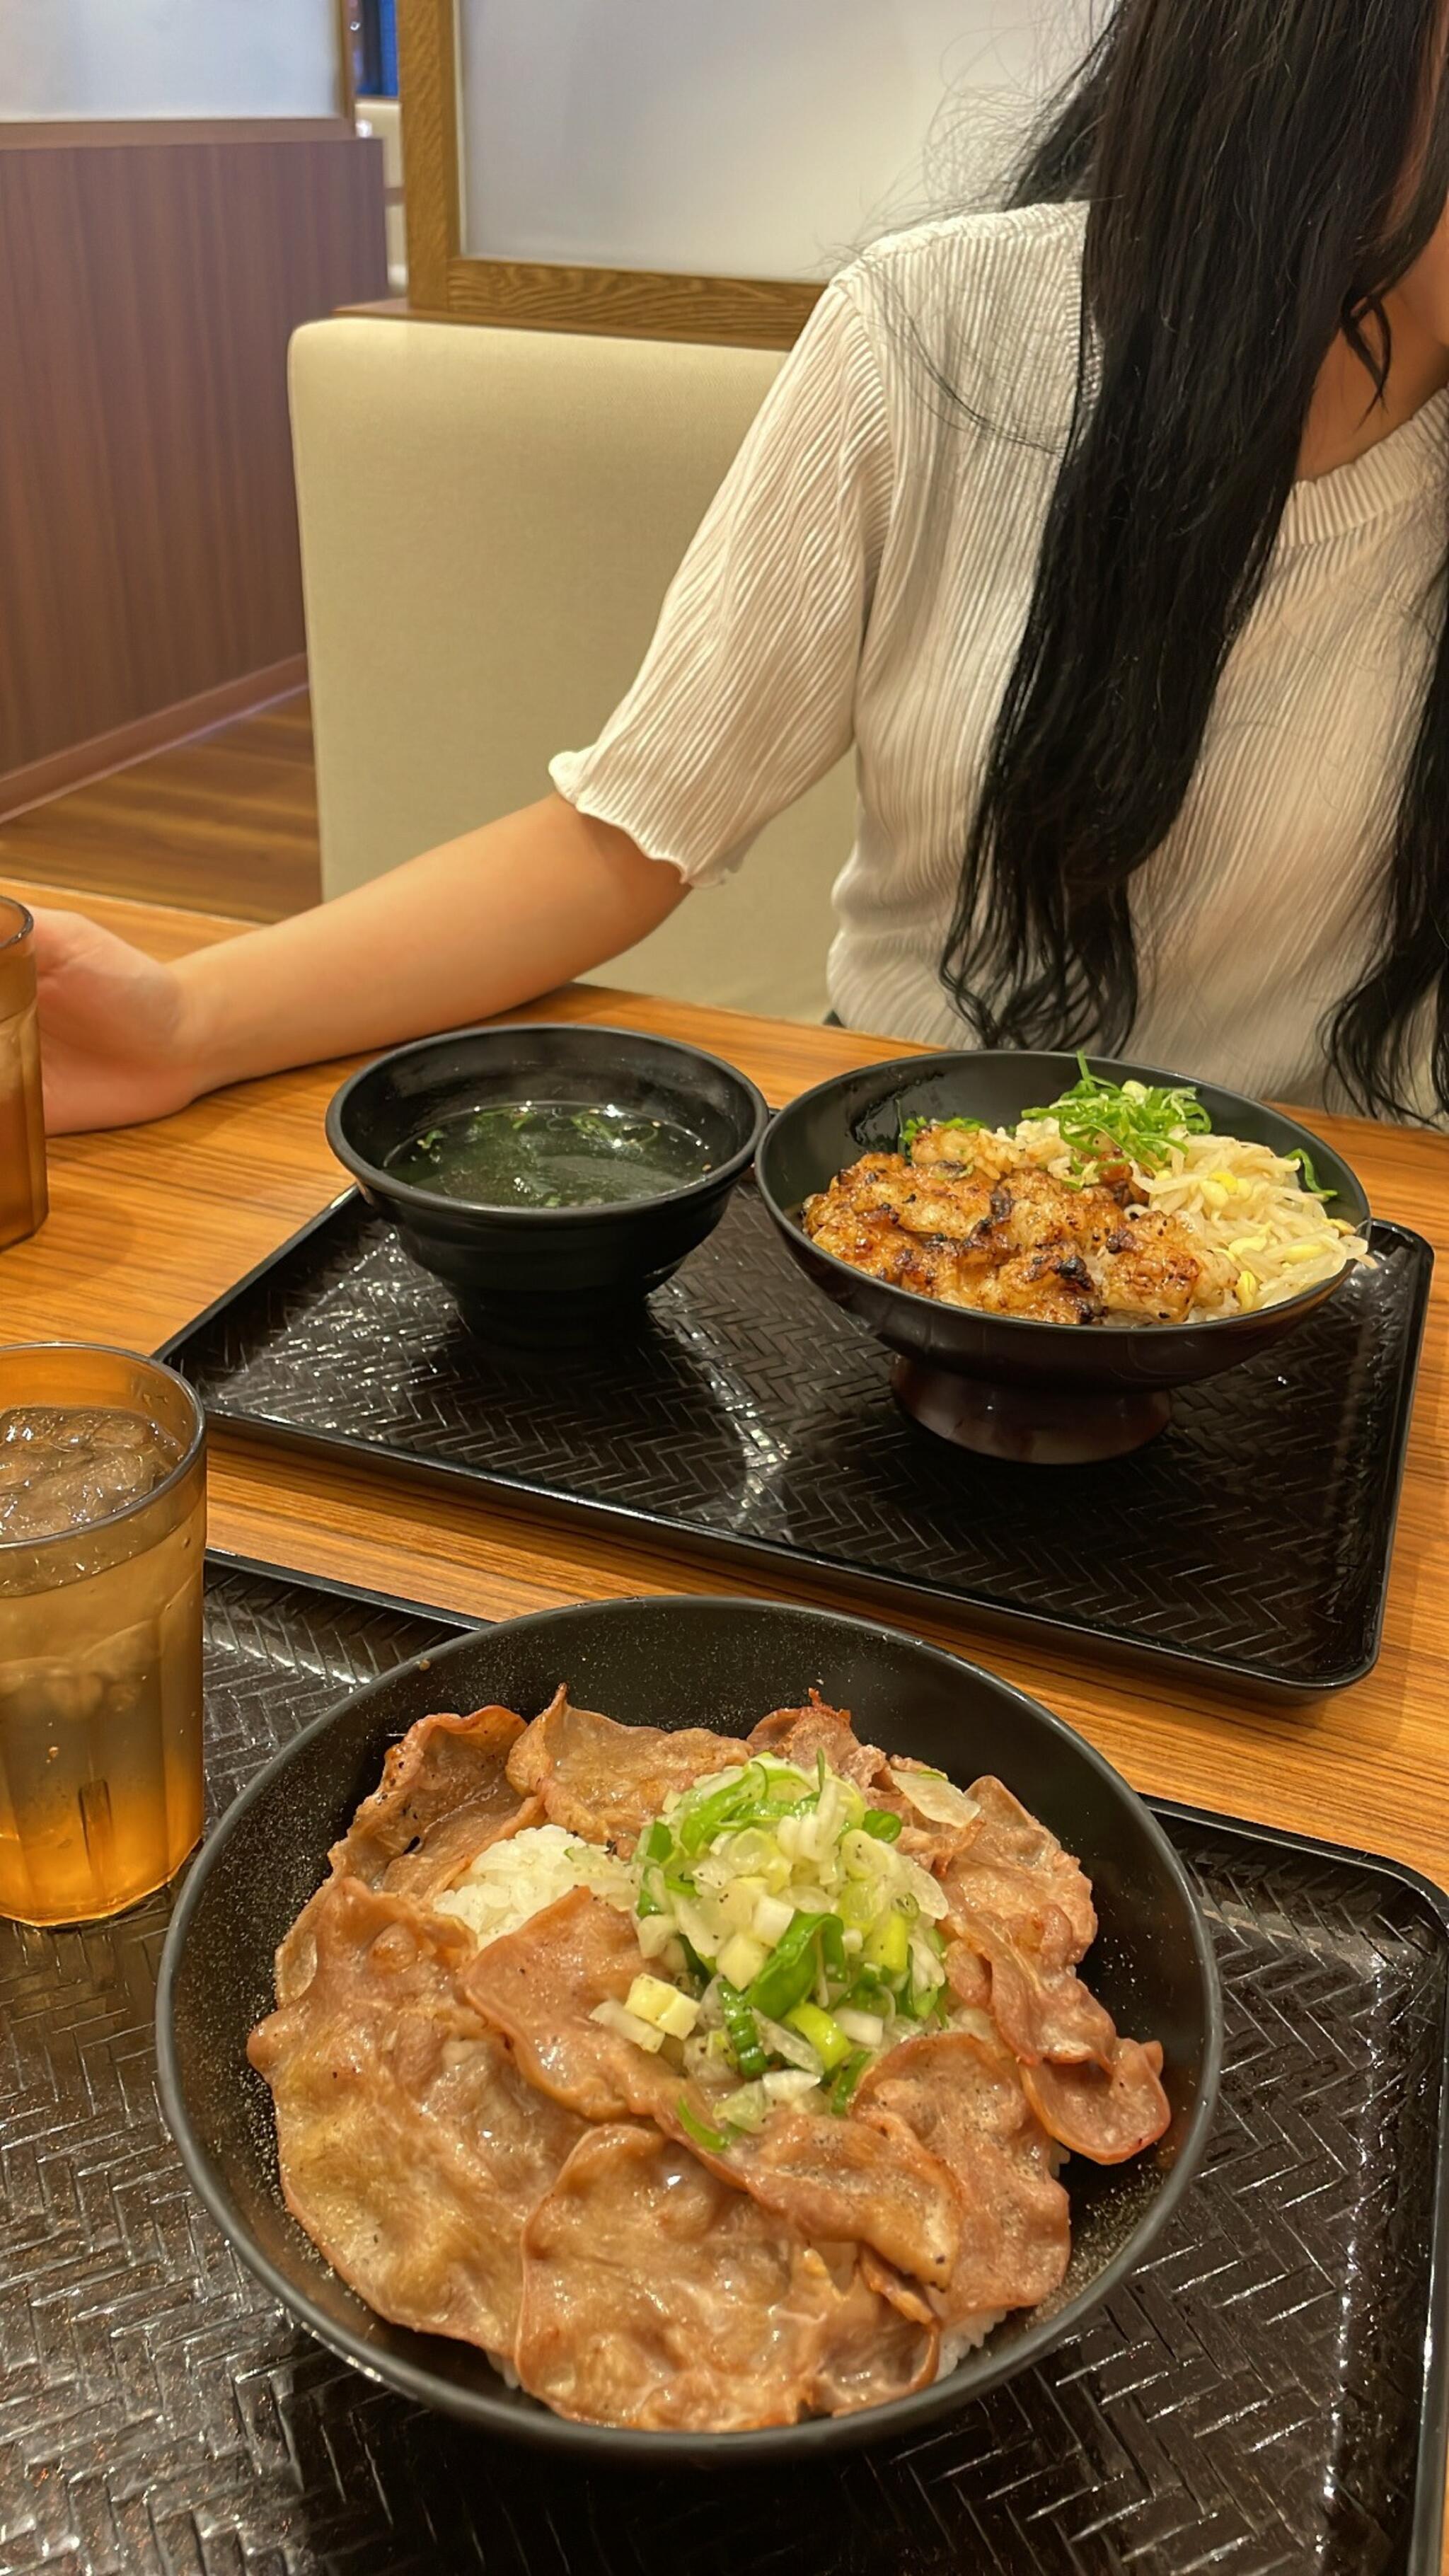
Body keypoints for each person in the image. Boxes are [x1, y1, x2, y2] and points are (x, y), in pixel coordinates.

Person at [32, 0, 1449, 1135]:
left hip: (1337, 1244)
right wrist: (186, 1020)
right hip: (910, 1181)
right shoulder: (935, 336)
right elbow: (624, 832)